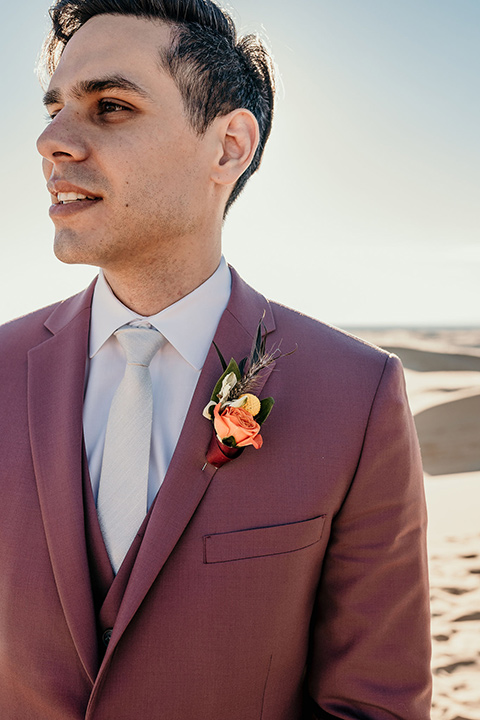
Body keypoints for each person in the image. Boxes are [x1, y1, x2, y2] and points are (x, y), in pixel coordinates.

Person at [0, 1, 432, 718]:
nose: (51, 141)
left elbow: (375, 703)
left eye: (109, 106)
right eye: (54, 109)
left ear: (228, 147)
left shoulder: (356, 395)